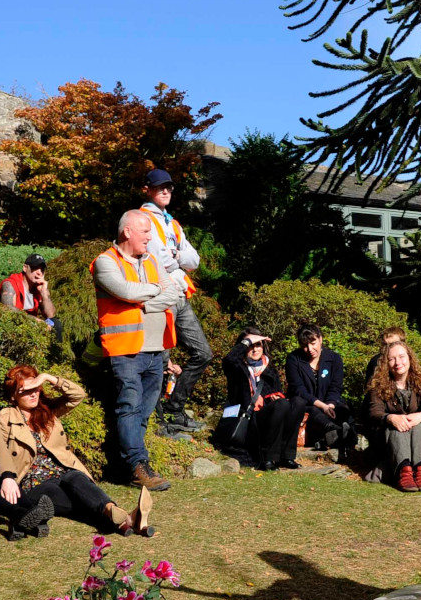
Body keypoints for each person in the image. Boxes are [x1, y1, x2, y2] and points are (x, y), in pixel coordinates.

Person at [0, 366, 149, 538]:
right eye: (25, 391)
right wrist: (3, 479)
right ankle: (125, 519)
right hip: (34, 481)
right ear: (12, 396)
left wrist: (47, 377)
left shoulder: (48, 411)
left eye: (36, 388)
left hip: (64, 470)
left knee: (78, 480)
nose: (33, 394)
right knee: (71, 500)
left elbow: (78, 395)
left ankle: (112, 511)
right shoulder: (5, 418)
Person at [91, 210, 179, 492]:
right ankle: (137, 466)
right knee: (129, 406)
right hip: (125, 349)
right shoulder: (105, 262)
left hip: (155, 348)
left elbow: (174, 293)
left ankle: (129, 465)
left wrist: (145, 302)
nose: (150, 237)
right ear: (127, 231)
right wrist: (154, 290)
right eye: (145, 232)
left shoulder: (152, 260)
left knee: (143, 410)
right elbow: (124, 290)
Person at [139, 169, 212, 434]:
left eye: (169, 187)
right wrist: (177, 256)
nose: (166, 191)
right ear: (147, 189)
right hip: (161, 293)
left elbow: (194, 260)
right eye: (160, 188)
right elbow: (159, 259)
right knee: (161, 357)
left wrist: (176, 256)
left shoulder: (173, 223)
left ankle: (174, 409)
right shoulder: (143, 219)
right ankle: (157, 419)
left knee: (203, 353)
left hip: (179, 293)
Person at [216, 328, 302, 469]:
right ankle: (267, 459)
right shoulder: (237, 368)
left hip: (266, 416)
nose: (255, 350)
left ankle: (286, 457)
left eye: (258, 345)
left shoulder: (269, 369)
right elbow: (229, 359)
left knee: (297, 403)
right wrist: (248, 340)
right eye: (250, 346)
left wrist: (273, 398)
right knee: (281, 406)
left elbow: (277, 392)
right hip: (246, 417)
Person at [366, 340, 421, 492]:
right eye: (392, 359)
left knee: (420, 426)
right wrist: (390, 418)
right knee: (396, 428)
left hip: (416, 435)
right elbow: (374, 412)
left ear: (410, 358)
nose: (398, 362)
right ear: (386, 363)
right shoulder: (377, 384)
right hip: (386, 438)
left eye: (401, 356)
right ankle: (404, 472)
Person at [285, 324, 352, 452]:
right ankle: (334, 431)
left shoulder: (334, 358)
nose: (310, 349)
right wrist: (323, 406)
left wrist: (330, 405)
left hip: (328, 403)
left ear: (320, 339)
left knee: (342, 409)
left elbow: (335, 387)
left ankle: (339, 435)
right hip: (305, 404)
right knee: (314, 411)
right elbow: (299, 389)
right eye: (305, 345)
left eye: (313, 343)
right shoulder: (293, 359)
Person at [0, 253, 56, 328]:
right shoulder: (10, 284)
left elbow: (51, 316)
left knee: (56, 324)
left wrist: (45, 295)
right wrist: (36, 321)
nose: (39, 273)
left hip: (30, 328)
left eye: (42, 270)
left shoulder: (37, 289)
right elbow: (7, 310)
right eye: (35, 268)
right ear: (25, 268)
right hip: (11, 327)